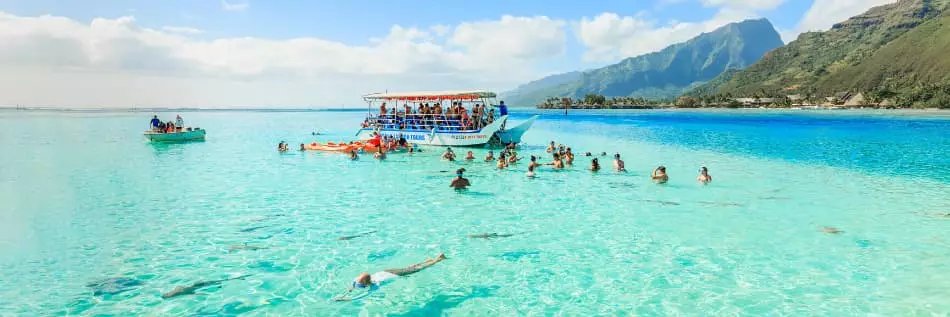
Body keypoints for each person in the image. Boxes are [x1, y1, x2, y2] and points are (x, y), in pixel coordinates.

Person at [334, 253, 447, 301]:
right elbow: (353, 285)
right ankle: (427, 260)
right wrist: (350, 289)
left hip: (394, 274)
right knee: (408, 268)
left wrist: (348, 299)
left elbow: (363, 295)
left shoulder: (375, 285)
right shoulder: (358, 279)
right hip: (387, 271)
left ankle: (439, 259)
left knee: (416, 270)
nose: (358, 283)